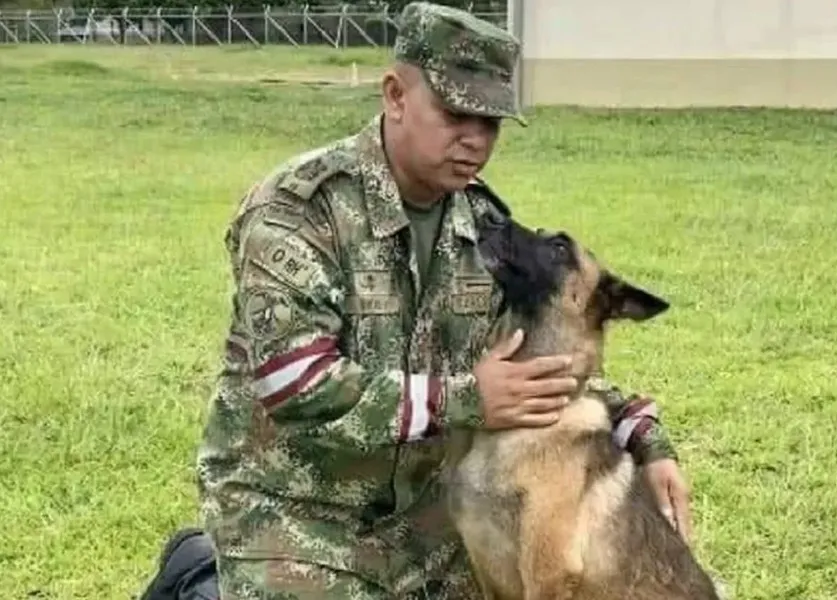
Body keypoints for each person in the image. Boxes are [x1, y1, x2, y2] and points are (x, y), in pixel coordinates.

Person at [139, 2, 697, 599]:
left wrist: (642, 435)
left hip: (424, 515)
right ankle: (198, 575)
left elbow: (538, 359)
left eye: (491, 122)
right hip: (298, 506)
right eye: (457, 112)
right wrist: (465, 398)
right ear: (395, 95)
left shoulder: (483, 225)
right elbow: (295, 385)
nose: (475, 139)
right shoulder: (299, 210)